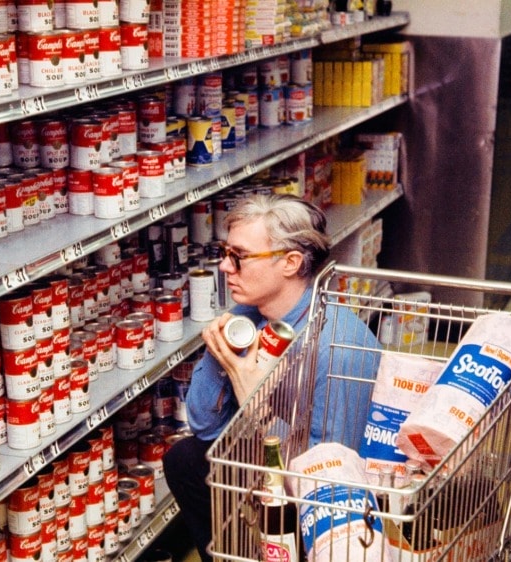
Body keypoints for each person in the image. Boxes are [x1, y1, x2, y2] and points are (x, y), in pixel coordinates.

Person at [163, 193, 381, 561]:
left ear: (291, 263)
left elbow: (327, 478)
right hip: (268, 461)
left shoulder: (336, 348)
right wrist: (223, 360)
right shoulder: (251, 315)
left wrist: (257, 404)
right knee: (185, 460)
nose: (224, 267)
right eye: (225, 252)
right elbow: (204, 426)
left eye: (240, 257)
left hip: (327, 495)